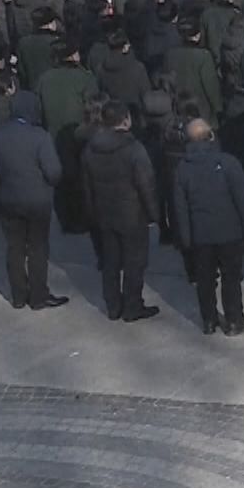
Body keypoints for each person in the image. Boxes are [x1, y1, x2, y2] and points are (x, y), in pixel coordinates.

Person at [0, 81, 67, 310]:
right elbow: (54, 172)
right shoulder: (40, 136)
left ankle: (18, 295)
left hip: (7, 199)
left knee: (14, 247)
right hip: (37, 200)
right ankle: (38, 296)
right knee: (38, 247)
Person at [172, 118, 244, 335]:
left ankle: (209, 320)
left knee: (205, 280)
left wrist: (185, 237)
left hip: (200, 235)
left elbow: (180, 208)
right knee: (231, 278)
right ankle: (233, 320)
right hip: (230, 232)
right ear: (211, 136)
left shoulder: (182, 169)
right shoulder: (228, 163)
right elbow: (242, 199)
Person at [82, 100, 161, 322]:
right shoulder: (134, 149)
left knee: (110, 262)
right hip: (132, 215)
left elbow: (87, 187)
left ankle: (113, 305)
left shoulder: (90, 149)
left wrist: (92, 215)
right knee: (135, 262)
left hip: (104, 214)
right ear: (126, 120)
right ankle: (132, 306)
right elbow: (147, 185)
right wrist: (154, 215)